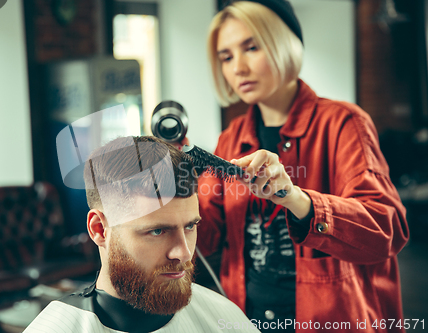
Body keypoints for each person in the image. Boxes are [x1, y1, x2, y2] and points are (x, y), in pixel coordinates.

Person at [196, 1, 409, 332]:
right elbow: (204, 240)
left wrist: (296, 199)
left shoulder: (343, 124)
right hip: (244, 322)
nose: (238, 67)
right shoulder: (230, 139)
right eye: (226, 57)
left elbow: (386, 230)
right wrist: (174, 190)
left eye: (251, 47)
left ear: (285, 44)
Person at [23, 136, 259, 333]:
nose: (184, 252)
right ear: (99, 229)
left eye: (189, 227)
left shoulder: (225, 318)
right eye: (157, 231)